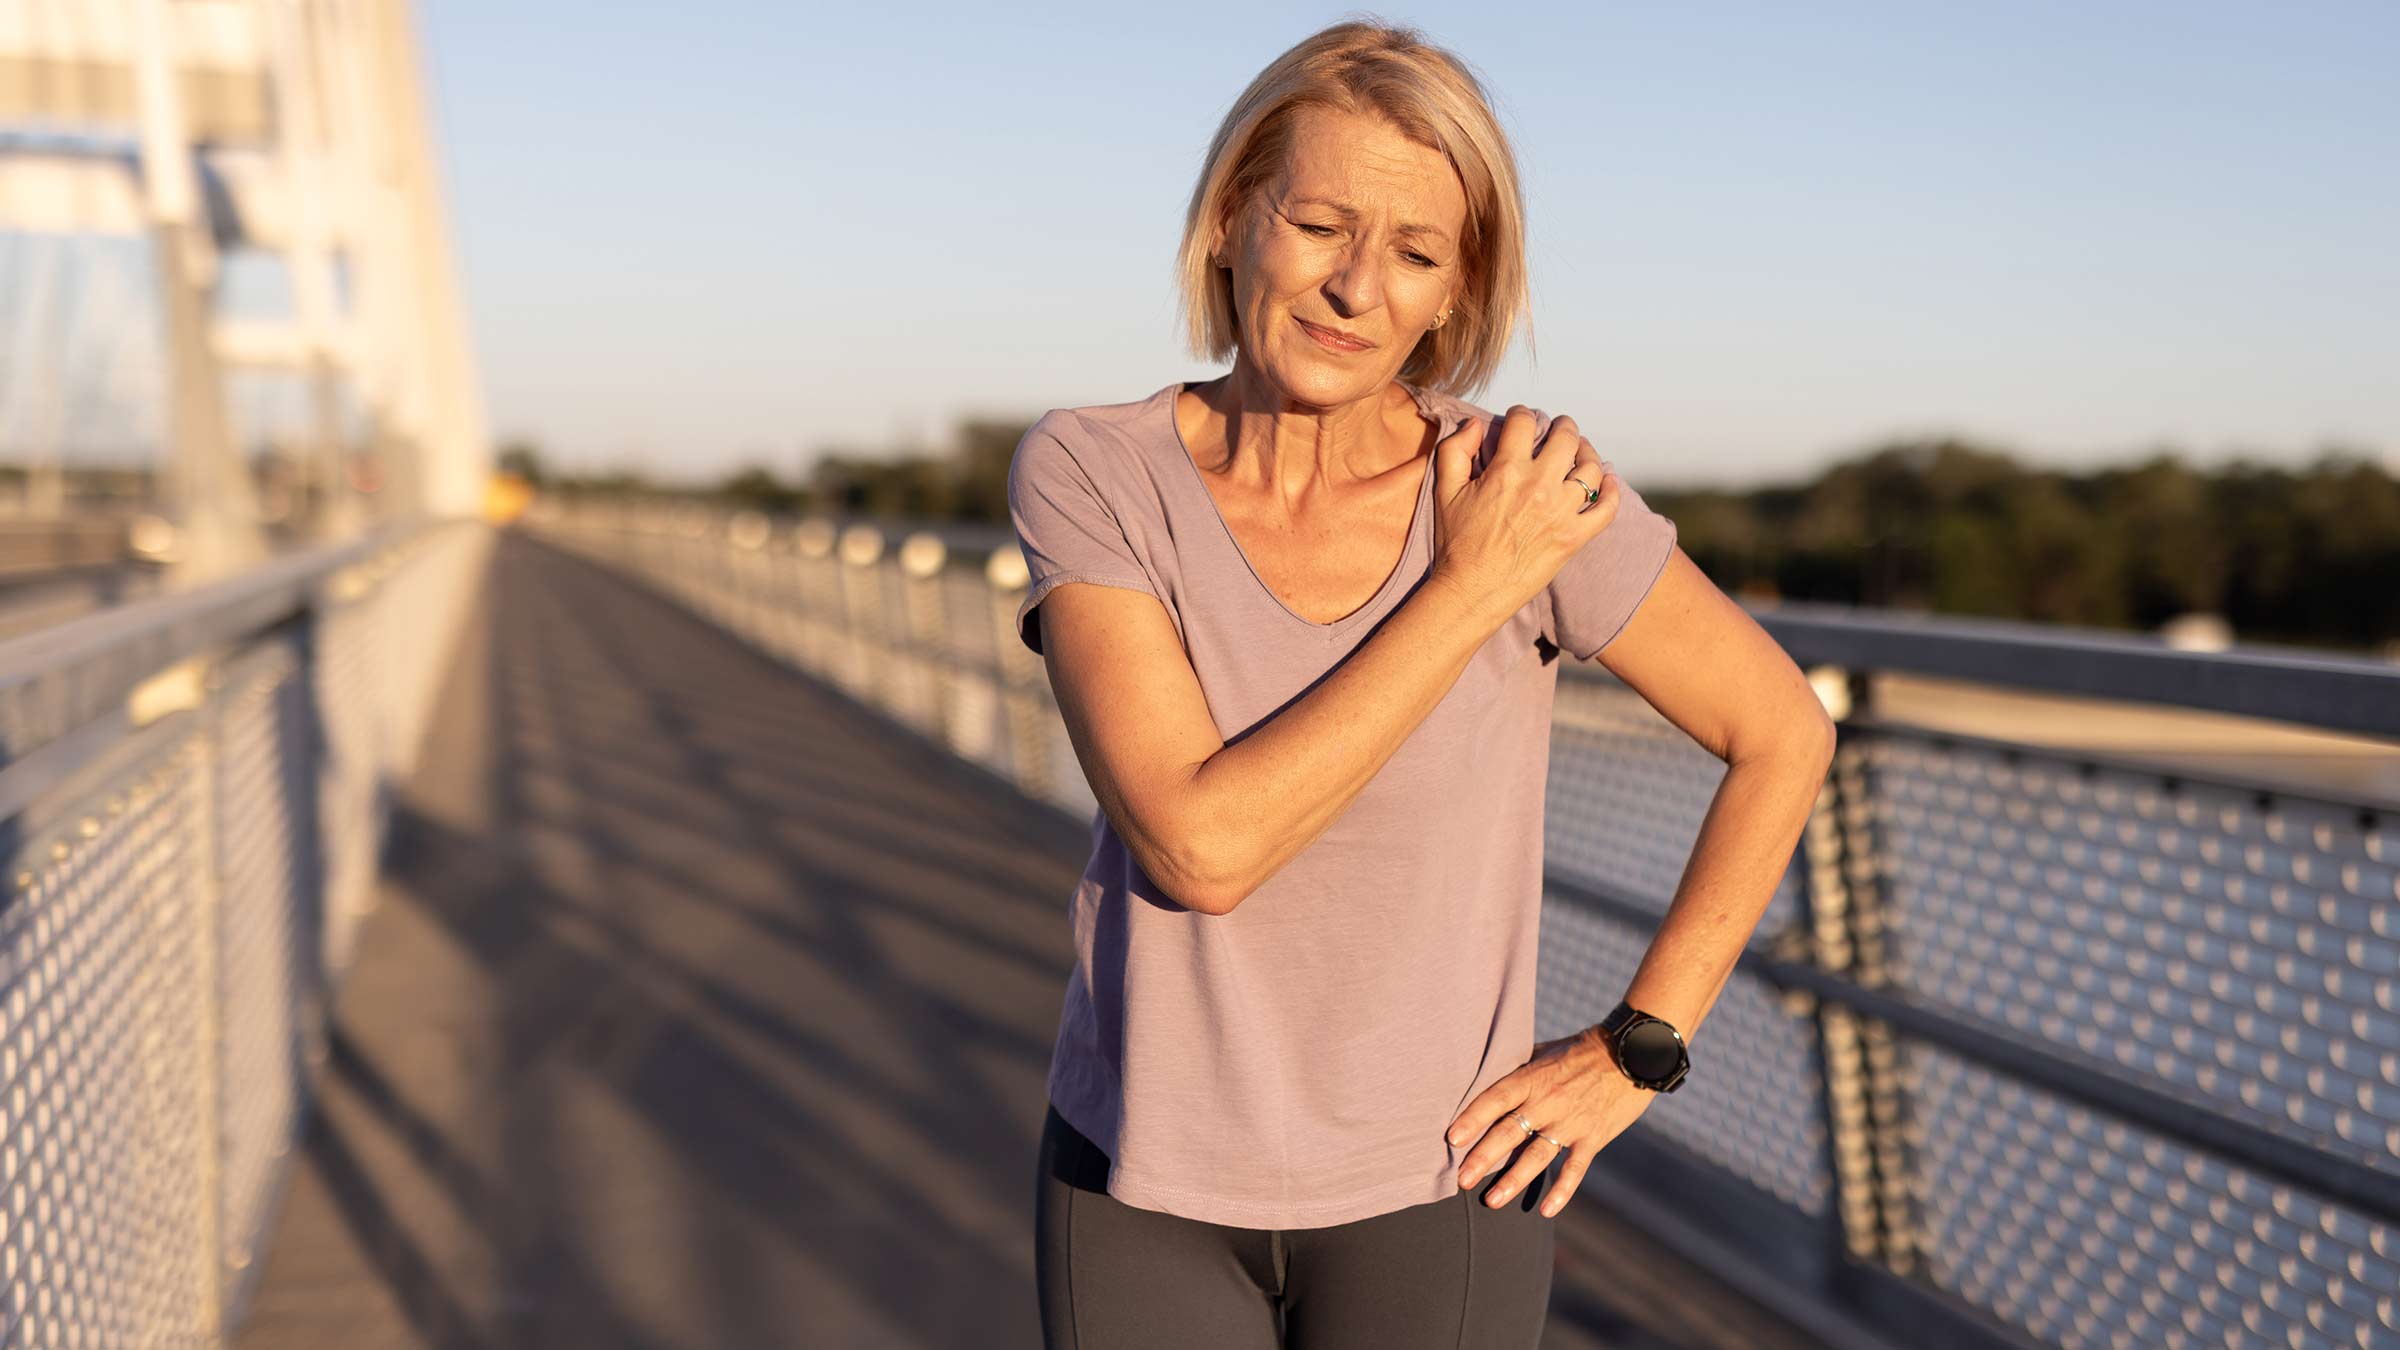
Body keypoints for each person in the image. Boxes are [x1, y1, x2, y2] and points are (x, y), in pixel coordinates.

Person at [1011, 19, 1837, 1349]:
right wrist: (1469, 590)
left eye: (1413, 252)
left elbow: (1783, 731)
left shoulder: (1527, 494)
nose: (1356, 287)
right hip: (1137, 1176)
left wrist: (1638, 1045)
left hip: (1444, 1184)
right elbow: (1199, 844)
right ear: (1231, 222)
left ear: (1459, 290)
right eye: (1319, 225)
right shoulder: (1093, 471)